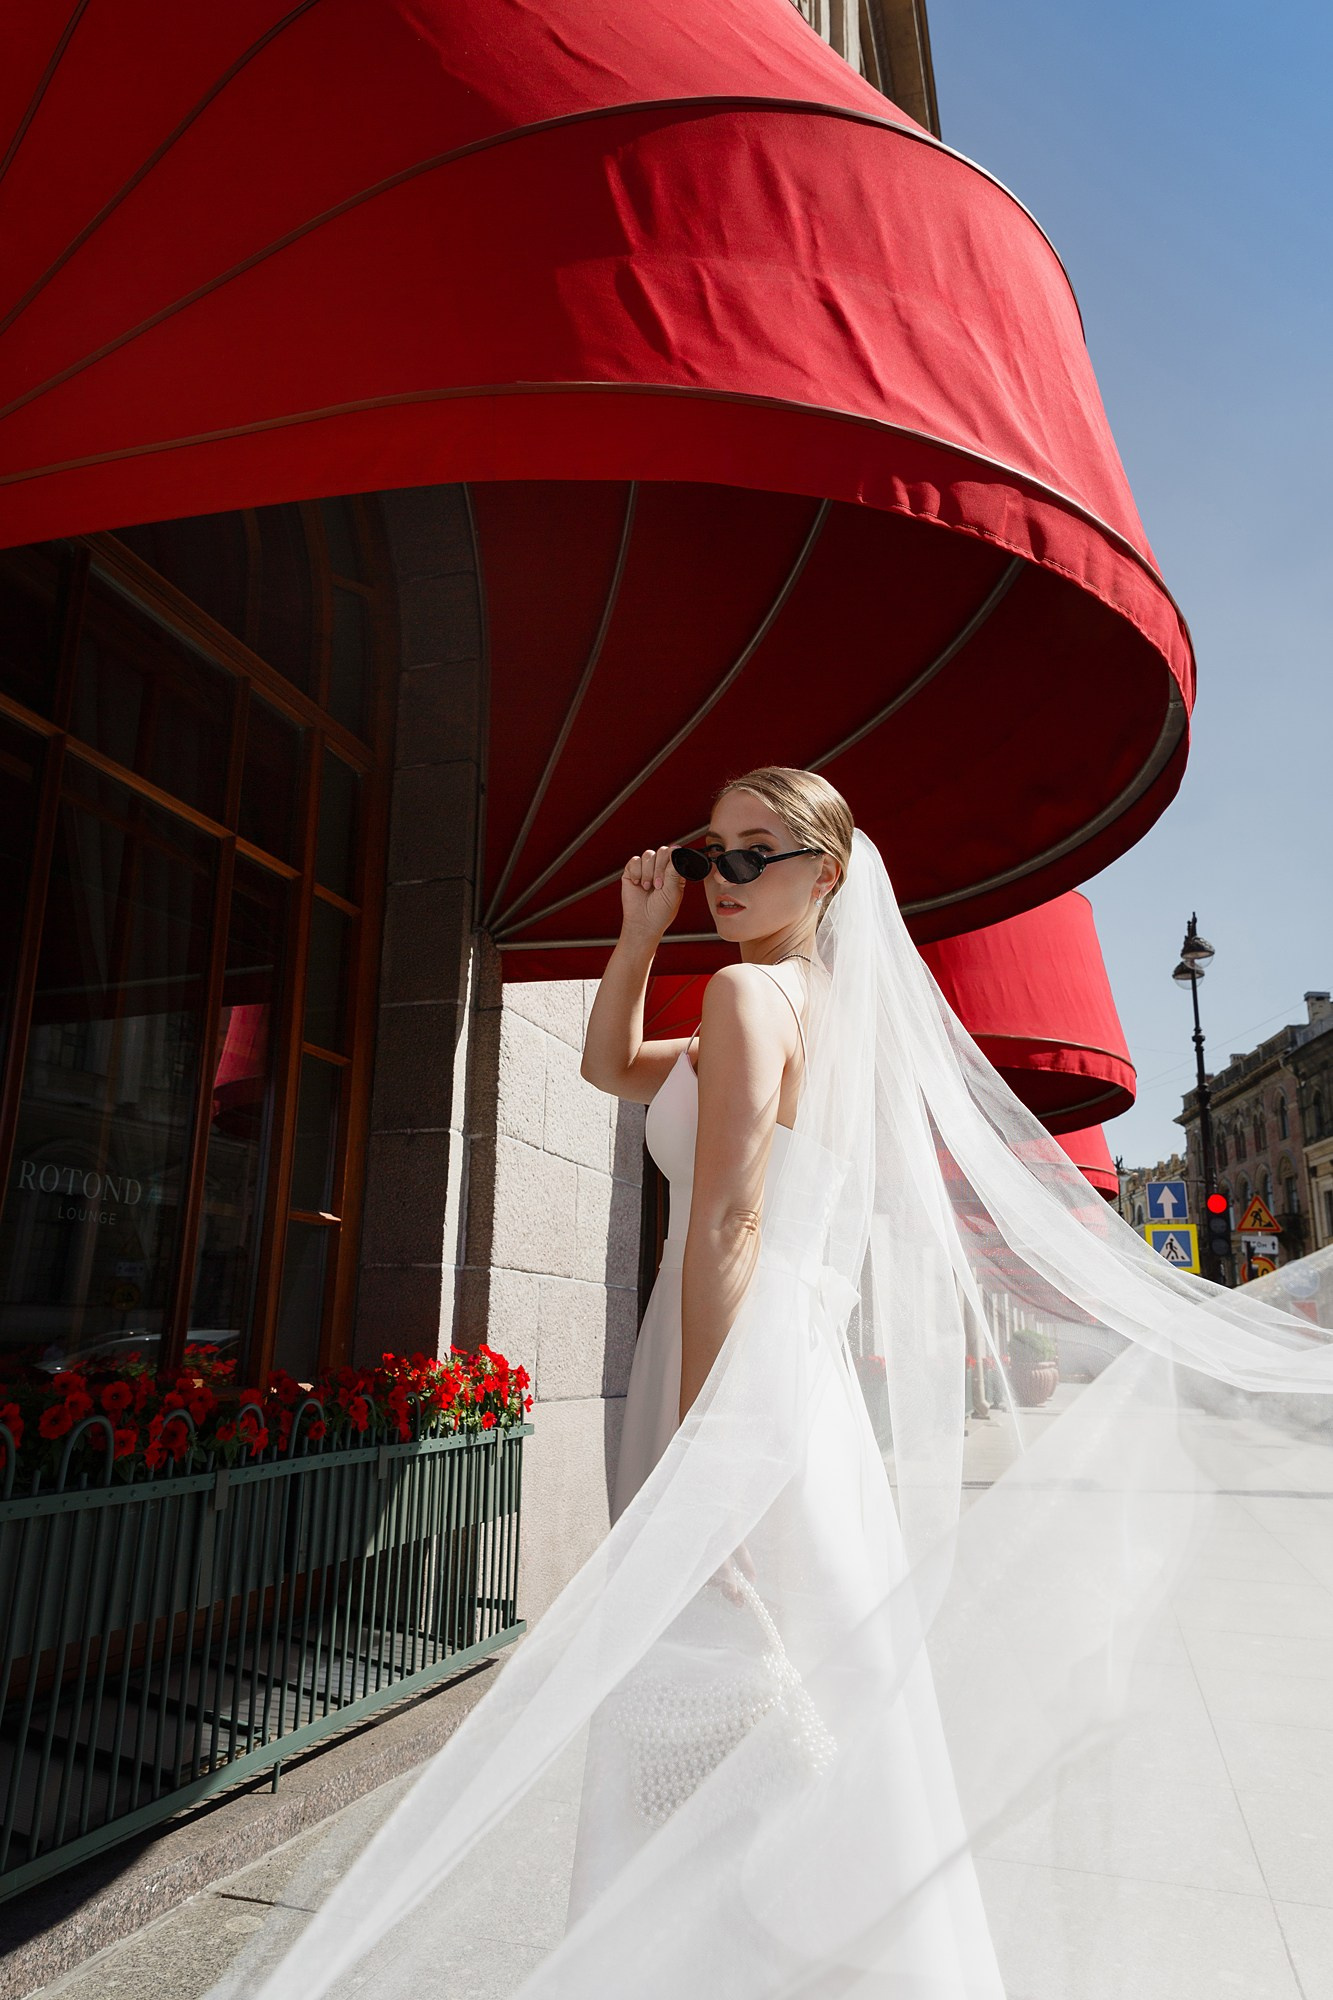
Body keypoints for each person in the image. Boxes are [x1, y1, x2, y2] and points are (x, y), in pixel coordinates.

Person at [224, 767, 1333, 2000]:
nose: (722, 876)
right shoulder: (798, 1012)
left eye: (759, 852)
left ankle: (706, 1958)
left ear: (829, 872)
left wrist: (709, 1443)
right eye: (713, 851)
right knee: (819, 1681)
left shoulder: (754, 996)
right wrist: (641, 930)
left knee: (720, 1684)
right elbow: (608, 1068)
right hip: (785, 1377)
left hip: (736, 1375)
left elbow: (728, 1228)